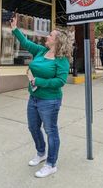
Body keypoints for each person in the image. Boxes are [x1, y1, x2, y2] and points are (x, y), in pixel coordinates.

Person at [10, 15, 73, 178]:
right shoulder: (41, 51)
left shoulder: (61, 60)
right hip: (34, 97)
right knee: (32, 127)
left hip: (50, 100)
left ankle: (51, 164)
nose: (47, 36)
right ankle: (41, 152)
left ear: (57, 41)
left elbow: (60, 81)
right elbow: (26, 43)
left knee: (51, 131)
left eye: (50, 35)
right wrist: (15, 29)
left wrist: (39, 81)